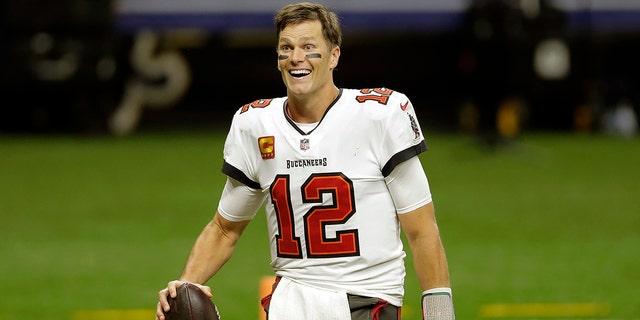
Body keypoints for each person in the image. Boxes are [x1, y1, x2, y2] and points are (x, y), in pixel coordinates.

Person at [156, 2, 455, 320]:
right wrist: (184, 287)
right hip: (289, 303)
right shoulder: (255, 124)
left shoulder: (379, 115)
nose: (296, 57)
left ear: (334, 56)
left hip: (365, 302)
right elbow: (224, 229)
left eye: (309, 47)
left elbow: (422, 230)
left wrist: (440, 313)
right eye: (287, 48)